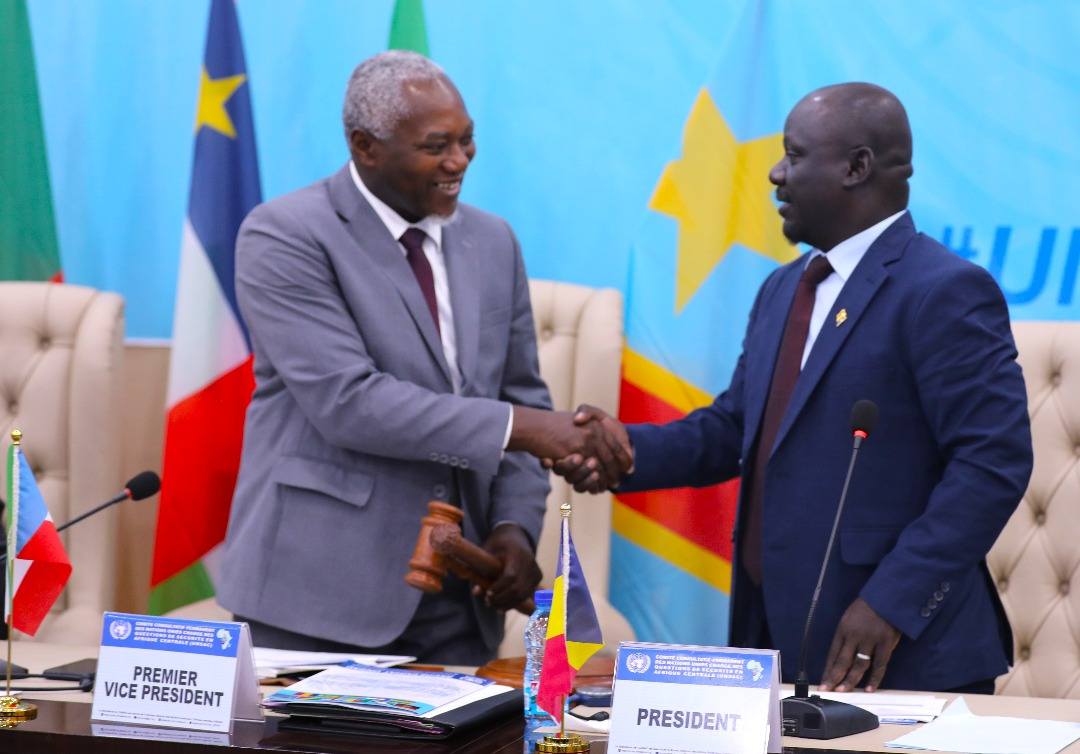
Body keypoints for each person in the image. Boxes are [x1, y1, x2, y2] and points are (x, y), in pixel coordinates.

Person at [555, 83, 1032, 693]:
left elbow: (993, 462)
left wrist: (890, 603)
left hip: (899, 653)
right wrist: (620, 451)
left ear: (857, 167)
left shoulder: (943, 290)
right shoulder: (784, 288)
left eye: (795, 155)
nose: (776, 174)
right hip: (775, 637)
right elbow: (735, 429)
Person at [217, 51, 630, 664]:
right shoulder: (285, 234)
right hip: (318, 595)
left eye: (467, 140)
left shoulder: (493, 240)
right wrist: (531, 429)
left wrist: (513, 529)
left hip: (458, 598)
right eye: (436, 146)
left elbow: (520, 394)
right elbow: (349, 403)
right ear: (365, 146)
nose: (459, 161)